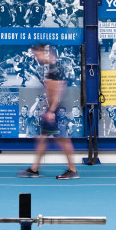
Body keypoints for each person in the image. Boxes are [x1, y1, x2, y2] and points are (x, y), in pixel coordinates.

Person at [17, 44, 79, 179]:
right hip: (51, 109)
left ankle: (73, 170)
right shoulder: (52, 67)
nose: (35, 57)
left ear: (44, 53)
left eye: (36, 54)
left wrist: (51, 111)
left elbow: (58, 91)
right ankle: (34, 169)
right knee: (43, 139)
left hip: (54, 110)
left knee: (62, 140)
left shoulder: (54, 67)